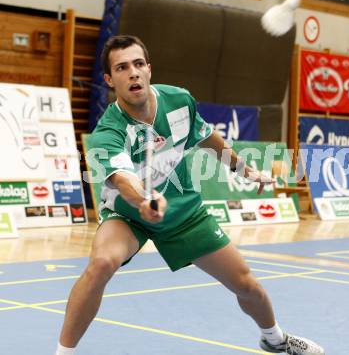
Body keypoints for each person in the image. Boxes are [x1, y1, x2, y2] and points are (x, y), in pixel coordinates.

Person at [54, 35, 325, 355]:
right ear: (109, 80)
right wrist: (144, 201)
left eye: (139, 64)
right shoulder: (108, 131)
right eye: (122, 68)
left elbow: (207, 137)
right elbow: (123, 180)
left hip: (184, 213)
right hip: (129, 216)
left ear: (150, 70)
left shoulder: (179, 101)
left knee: (247, 285)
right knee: (101, 263)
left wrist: (244, 170)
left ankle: (275, 338)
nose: (133, 73)